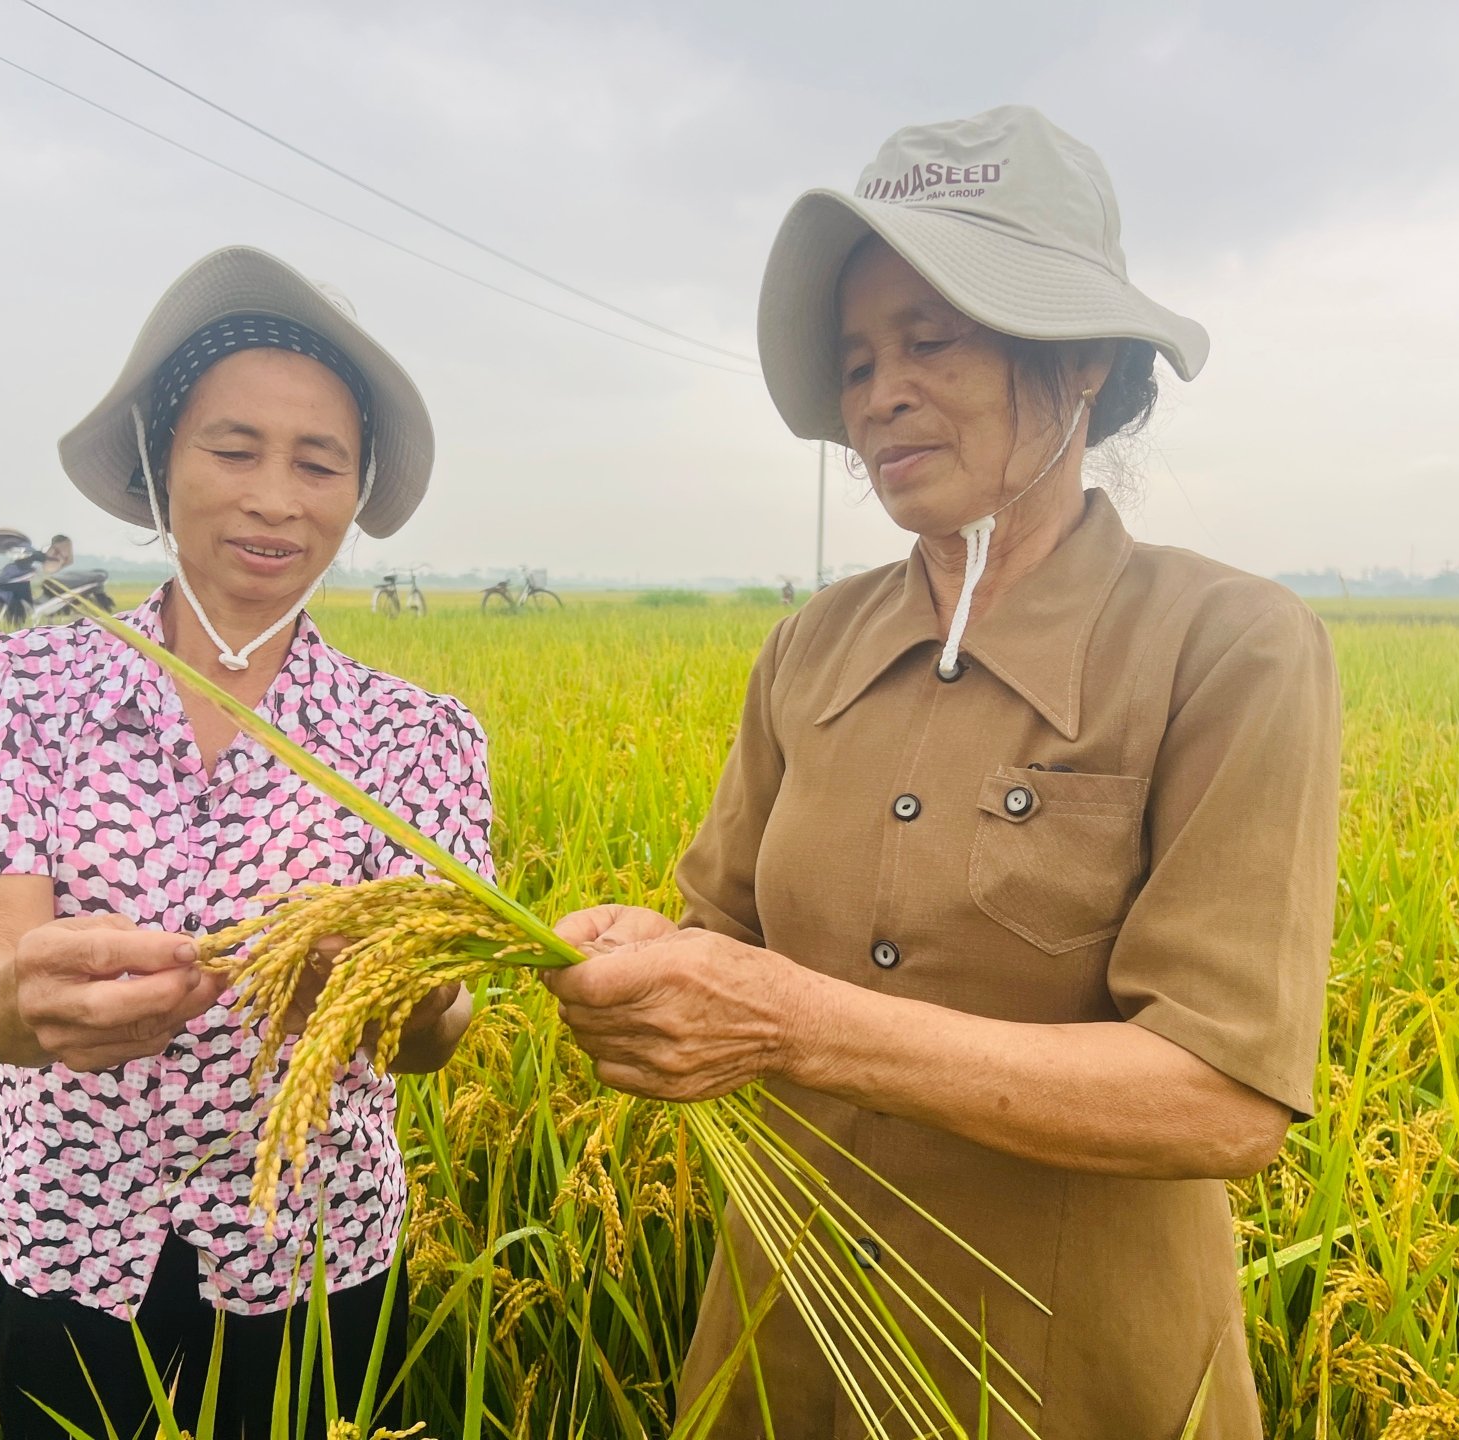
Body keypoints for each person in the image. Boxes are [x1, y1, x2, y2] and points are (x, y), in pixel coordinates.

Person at [547, 107, 1339, 1438]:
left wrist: (788, 1020)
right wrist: (642, 970)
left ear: (1079, 358)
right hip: (778, 1366)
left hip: (1076, 1386)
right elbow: (721, 943)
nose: (878, 392)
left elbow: (1221, 1101)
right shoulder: (811, 648)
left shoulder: (1229, 646)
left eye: (933, 337)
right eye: (857, 358)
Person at [0, 246, 491, 1437]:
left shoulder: (420, 737)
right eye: (232, 450)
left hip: (315, 1247)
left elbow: (439, 1031)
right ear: (158, 465)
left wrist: (397, 999)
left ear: (356, 492)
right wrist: (39, 1004)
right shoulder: (18, 684)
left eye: (318, 462)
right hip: (70, 1241)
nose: (274, 497)